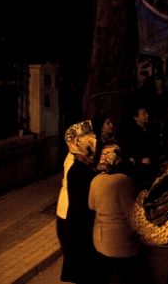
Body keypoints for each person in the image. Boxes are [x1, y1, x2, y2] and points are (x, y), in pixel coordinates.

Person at [89, 144, 140, 284]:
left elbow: (91, 205)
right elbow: (132, 214)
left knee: (105, 275)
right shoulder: (125, 181)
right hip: (122, 243)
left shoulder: (95, 180)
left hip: (100, 239)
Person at [58, 119, 101, 284]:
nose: (93, 139)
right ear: (78, 142)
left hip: (77, 219)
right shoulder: (75, 165)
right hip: (75, 220)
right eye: (88, 136)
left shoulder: (82, 161)